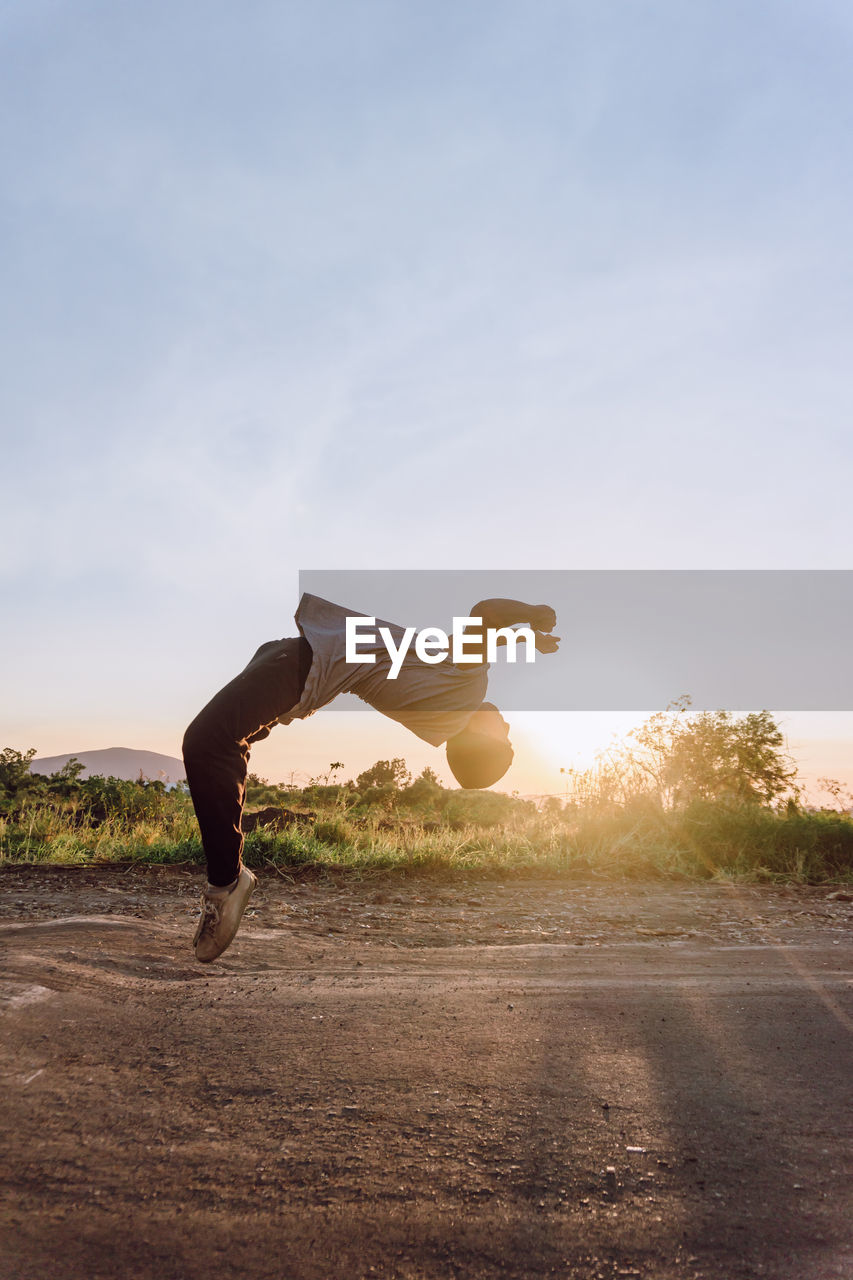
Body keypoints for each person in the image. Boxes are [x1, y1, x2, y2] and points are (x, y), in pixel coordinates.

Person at [182, 594, 559, 962]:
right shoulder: (448, 700)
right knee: (224, 743)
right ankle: (225, 876)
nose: (507, 723)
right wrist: (523, 634)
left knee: (207, 743)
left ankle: (226, 883)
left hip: (306, 662)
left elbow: (485, 613)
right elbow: (460, 641)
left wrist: (535, 614)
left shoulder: (465, 692)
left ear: (482, 740)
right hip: (303, 664)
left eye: (504, 735)